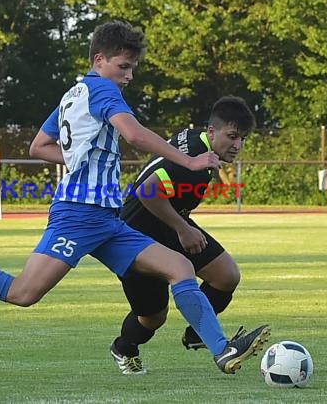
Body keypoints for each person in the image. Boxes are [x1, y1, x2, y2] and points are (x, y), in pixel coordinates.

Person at [0, 21, 270, 375]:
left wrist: (80, 157)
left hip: (109, 220)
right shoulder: (102, 89)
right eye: (124, 66)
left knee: (180, 268)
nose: (129, 76)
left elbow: (39, 146)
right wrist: (189, 158)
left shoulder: (73, 94)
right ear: (100, 60)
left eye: (132, 68)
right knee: (23, 293)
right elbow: (133, 135)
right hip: (77, 216)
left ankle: (222, 350)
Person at [109, 95, 260, 375]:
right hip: (136, 232)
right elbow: (147, 192)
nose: (237, 145)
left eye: (242, 138)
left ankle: (197, 334)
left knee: (226, 275)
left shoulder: (199, 143)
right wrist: (182, 228)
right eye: (232, 136)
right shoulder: (192, 158)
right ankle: (124, 348)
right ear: (212, 131)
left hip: (169, 221)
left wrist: (181, 225)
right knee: (153, 316)